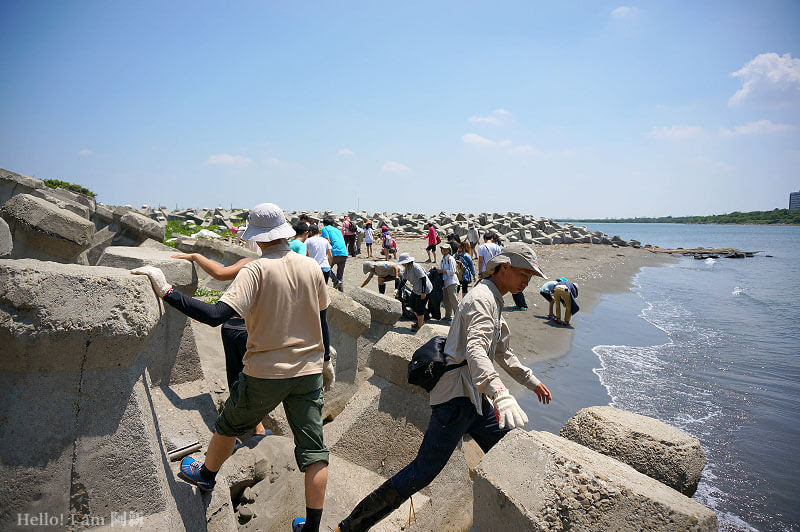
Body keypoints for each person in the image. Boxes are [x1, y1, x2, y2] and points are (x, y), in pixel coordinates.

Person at [133, 203, 333, 532]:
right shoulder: (311, 267)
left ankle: (206, 476)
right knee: (314, 451)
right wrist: (324, 361)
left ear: (257, 237)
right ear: (284, 233)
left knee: (228, 424)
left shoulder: (254, 270)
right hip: (308, 371)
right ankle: (311, 527)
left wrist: (167, 290)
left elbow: (215, 315)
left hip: (266, 372)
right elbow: (322, 319)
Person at [334, 243, 552, 532]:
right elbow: (475, 350)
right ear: (504, 267)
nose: (528, 281)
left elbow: (501, 351)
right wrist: (501, 393)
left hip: (474, 398)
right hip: (455, 401)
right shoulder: (482, 299)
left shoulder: (495, 298)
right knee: (421, 473)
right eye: (524, 273)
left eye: (531, 276)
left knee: (509, 449)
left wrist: (531, 381)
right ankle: (349, 527)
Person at [170, 251, 269, 441]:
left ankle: (232, 433)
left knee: (236, 380)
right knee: (253, 379)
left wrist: (196, 256)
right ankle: (258, 429)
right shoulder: (288, 268)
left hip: (235, 327)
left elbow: (219, 273)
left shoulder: (252, 263)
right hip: (258, 331)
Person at [397, 252, 432, 330]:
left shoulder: (416, 267)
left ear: (407, 262)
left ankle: (419, 326)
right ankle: (420, 321)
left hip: (425, 289)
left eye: (403, 263)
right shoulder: (407, 269)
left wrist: (423, 292)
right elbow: (404, 280)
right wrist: (398, 289)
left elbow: (423, 279)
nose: (402, 264)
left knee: (420, 308)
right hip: (416, 288)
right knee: (412, 304)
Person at [322, 217, 348, 292]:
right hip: (344, 253)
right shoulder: (338, 230)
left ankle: (334, 280)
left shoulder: (325, 229)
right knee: (340, 276)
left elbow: (326, 241)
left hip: (334, 252)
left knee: (325, 268)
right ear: (332, 223)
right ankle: (341, 294)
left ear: (324, 224)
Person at [436, 242, 459, 322]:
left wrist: (442, 271)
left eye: (445, 249)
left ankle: (458, 316)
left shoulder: (450, 259)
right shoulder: (444, 259)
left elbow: (452, 271)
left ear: (449, 250)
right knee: (446, 300)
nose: (443, 251)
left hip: (452, 282)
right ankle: (448, 316)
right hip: (446, 282)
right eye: (442, 249)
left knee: (453, 300)